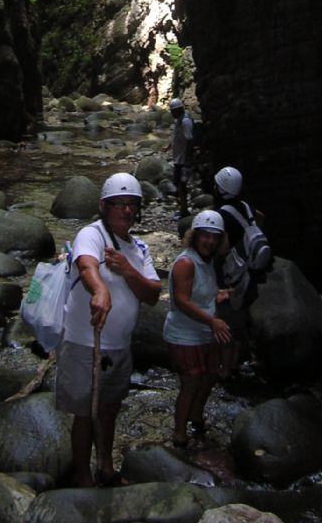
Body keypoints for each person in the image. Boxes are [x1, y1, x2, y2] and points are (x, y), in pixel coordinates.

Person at [56, 172, 161, 487]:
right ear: (104, 206)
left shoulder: (139, 248)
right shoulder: (92, 234)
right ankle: (81, 473)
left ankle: (105, 466)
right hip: (86, 342)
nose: (126, 210)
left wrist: (127, 270)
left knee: (108, 409)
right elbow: (86, 264)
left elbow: (152, 293)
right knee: (84, 413)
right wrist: (100, 290)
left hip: (119, 346)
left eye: (132, 204)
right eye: (118, 204)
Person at [163, 210, 231, 447]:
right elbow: (182, 301)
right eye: (205, 236)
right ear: (195, 236)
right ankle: (179, 434)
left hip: (204, 332)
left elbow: (200, 294)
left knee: (209, 377)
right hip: (184, 335)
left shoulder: (207, 261)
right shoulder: (186, 263)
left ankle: (196, 416)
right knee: (191, 383)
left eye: (214, 237)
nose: (209, 241)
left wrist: (218, 296)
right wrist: (212, 321)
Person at [212, 165, 272, 377]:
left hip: (234, 274)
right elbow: (260, 218)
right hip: (252, 269)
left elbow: (221, 248)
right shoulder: (245, 205)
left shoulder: (222, 215)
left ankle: (226, 368)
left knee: (227, 320)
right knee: (241, 317)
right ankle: (237, 362)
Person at [168, 97, 194, 218]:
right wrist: (168, 146)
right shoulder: (179, 120)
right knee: (179, 184)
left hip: (183, 160)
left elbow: (189, 140)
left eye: (172, 111)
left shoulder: (185, 121)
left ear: (178, 110)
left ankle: (184, 211)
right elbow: (176, 136)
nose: (171, 113)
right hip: (178, 158)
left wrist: (188, 160)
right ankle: (182, 208)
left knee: (182, 185)